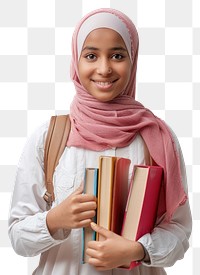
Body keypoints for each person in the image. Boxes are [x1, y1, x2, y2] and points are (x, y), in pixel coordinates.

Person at [8, 8, 192, 275]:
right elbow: (17, 237)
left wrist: (138, 250)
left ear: (133, 59)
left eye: (117, 55)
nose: (104, 69)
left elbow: (180, 230)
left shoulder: (157, 137)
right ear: (76, 60)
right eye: (91, 55)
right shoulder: (49, 136)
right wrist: (55, 219)